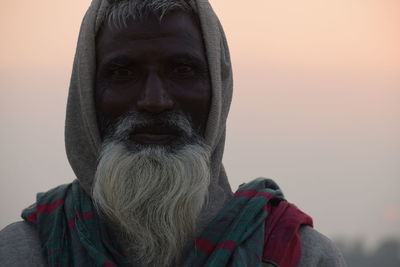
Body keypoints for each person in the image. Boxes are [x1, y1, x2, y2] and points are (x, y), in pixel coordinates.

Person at [0, 0, 346, 266]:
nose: (154, 101)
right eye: (123, 73)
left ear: (218, 90)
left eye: (182, 70)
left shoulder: (296, 255)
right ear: (86, 96)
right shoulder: (23, 254)